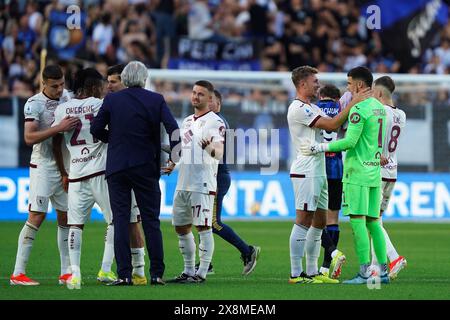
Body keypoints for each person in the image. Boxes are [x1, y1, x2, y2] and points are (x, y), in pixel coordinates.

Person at [91, 61, 179, 286]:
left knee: (120, 220)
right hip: (145, 168)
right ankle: (157, 274)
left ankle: (124, 275)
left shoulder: (112, 100)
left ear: (125, 78)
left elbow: (95, 129)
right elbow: (174, 130)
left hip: (118, 167)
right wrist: (175, 157)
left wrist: (115, 140)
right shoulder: (156, 99)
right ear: (144, 78)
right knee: (151, 221)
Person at [300, 66, 390, 284]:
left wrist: (318, 148)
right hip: (374, 172)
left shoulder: (358, 110)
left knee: (358, 222)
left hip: (357, 172)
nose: (348, 88)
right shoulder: (380, 108)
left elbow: (349, 142)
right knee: (374, 223)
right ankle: (383, 272)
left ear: (359, 85)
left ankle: (365, 272)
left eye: (349, 84)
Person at [287, 66, 369, 285]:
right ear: (302, 84)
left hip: (319, 169)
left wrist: (349, 103)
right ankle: (296, 274)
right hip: (305, 170)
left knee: (320, 221)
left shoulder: (311, 107)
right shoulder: (299, 109)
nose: (318, 84)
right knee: (303, 219)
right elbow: (332, 124)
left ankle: (313, 272)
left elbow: (336, 121)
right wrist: (353, 102)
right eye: (315, 81)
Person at [52, 68, 128, 289]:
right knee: (115, 221)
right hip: (101, 173)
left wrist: (63, 172)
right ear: (93, 86)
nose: (104, 88)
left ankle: (74, 274)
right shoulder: (99, 104)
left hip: (75, 174)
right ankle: (105, 269)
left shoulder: (62, 109)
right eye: (101, 85)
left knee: (75, 225)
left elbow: (56, 142)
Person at [10, 65, 79, 286]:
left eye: (62, 84)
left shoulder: (68, 98)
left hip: (64, 166)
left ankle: (65, 271)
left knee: (65, 217)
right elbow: (29, 138)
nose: (60, 90)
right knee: (37, 216)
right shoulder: (34, 104)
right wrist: (58, 128)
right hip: (42, 166)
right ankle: (18, 273)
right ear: (44, 84)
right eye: (54, 86)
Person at [198, 89, 260, 276]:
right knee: (202, 221)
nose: (207, 104)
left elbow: (217, 152)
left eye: (211, 101)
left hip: (217, 176)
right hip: (209, 176)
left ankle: (248, 251)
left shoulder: (218, 122)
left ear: (218, 104)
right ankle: (205, 264)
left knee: (214, 223)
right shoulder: (207, 122)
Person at [168, 80, 225, 283]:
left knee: (203, 226)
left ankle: (201, 274)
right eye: (194, 93)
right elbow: (183, 151)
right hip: (183, 181)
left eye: (201, 94)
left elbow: (219, 152)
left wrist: (209, 148)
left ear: (210, 99)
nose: (195, 97)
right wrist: (172, 164)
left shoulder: (215, 122)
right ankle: (188, 271)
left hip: (202, 183)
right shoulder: (187, 122)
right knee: (181, 227)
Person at [104, 64, 148, 285]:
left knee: (133, 221)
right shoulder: (111, 103)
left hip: (134, 169)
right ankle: (124, 271)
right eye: (108, 82)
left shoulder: (136, 104)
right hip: (114, 170)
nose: (108, 86)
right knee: (122, 220)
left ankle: (139, 270)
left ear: (124, 80)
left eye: (113, 82)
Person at [371, 76, 407, 280]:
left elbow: (372, 139)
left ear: (378, 93)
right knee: (377, 220)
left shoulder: (378, 112)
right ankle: (377, 268)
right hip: (392, 172)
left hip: (377, 171)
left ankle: (394, 258)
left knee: (371, 221)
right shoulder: (401, 114)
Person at [316, 84, 346, 279]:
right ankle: (327, 266)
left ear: (321, 95)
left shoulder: (312, 108)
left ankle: (332, 253)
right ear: (337, 98)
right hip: (336, 168)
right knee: (333, 219)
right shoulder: (342, 110)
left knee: (314, 218)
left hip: (317, 167)